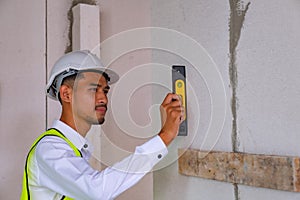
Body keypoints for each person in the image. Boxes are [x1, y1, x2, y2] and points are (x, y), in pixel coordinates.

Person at [21, 50, 183, 200]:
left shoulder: (74, 150)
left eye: (105, 91)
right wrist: (164, 136)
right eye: (94, 89)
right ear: (66, 94)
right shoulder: (51, 149)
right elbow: (96, 191)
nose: (103, 99)